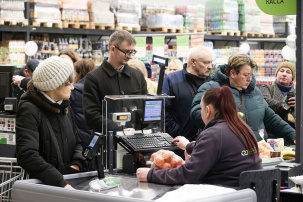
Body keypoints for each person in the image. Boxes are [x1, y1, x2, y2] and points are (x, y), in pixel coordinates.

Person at [136, 86, 263, 187]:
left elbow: (189, 174)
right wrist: (189, 146)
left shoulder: (213, 133)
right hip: (247, 193)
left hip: (225, 193)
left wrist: (151, 174)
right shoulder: (243, 127)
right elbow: (222, 149)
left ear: (208, 110)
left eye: (201, 109)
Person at [190, 53, 296, 144]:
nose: (249, 79)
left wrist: (293, 135)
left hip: (256, 151)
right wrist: (225, 119)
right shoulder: (211, 88)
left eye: (251, 75)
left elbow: (271, 118)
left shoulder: (255, 92)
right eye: (245, 75)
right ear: (232, 73)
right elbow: (195, 112)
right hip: (224, 151)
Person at [16, 56, 85, 189]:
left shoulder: (64, 106)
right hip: (43, 188)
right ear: (53, 86)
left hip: (68, 182)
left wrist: (76, 164)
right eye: (67, 83)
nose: (72, 87)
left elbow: (77, 141)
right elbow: (27, 154)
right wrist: (60, 182)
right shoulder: (29, 109)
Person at [83, 30, 148, 132]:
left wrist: (139, 128)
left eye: (132, 52)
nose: (130, 56)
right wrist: (118, 130)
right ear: (112, 49)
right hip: (107, 141)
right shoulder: (93, 78)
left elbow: (145, 107)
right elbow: (91, 115)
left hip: (134, 138)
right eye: (127, 52)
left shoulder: (137, 76)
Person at [163, 45, 213, 145]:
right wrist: (178, 132)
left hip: (207, 142)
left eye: (211, 62)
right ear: (193, 61)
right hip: (179, 144)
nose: (210, 67)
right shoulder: (172, 80)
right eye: (206, 62)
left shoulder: (212, 83)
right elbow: (163, 110)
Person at [259, 62, 296, 129]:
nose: (284, 74)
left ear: (292, 78)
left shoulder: (298, 93)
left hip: (293, 132)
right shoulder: (266, 88)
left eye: (288, 72)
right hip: (272, 132)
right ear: (276, 74)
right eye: (281, 71)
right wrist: (286, 105)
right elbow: (265, 102)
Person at [70, 59, 96, 148]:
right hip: (95, 136)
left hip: (79, 137)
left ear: (79, 73)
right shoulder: (97, 88)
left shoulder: (73, 90)